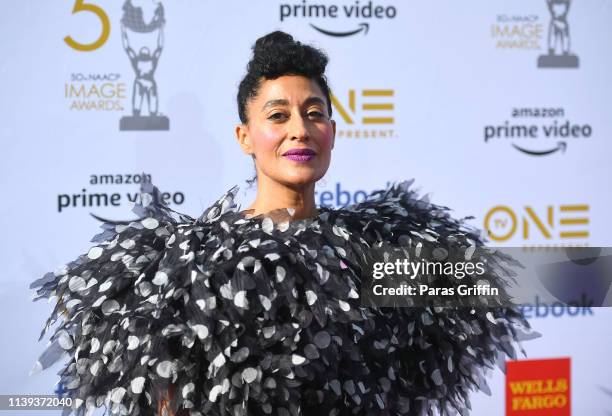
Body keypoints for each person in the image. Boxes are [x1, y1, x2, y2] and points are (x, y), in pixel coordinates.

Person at [31, 31, 533, 416]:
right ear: (245, 136)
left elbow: (529, 281)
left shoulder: (372, 255)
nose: (299, 129)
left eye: (314, 113)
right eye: (278, 115)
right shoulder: (193, 267)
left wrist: (593, 273)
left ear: (332, 133)